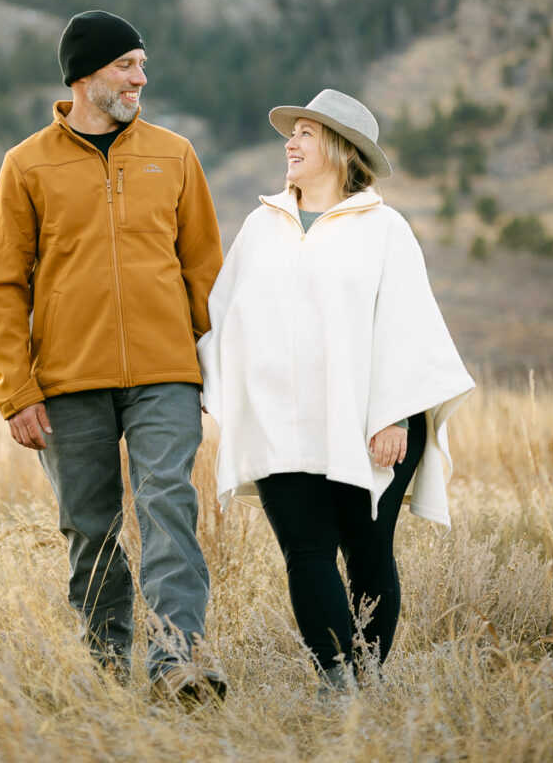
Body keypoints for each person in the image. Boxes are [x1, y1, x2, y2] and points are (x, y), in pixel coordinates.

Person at [0, 10, 226, 702]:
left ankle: (178, 661)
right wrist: (17, 390)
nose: (140, 77)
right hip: (66, 380)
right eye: (126, 65)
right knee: (89, 527)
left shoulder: (174, 154)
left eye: (142, 65)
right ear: (85, 75)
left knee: (167, 504)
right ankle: (108, 670)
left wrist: (215, 369)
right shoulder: (26, 164)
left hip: (166, 373)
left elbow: (203, 270)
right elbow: (2, 287)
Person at [197, 88, 475, 697]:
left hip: (373, 420)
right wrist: (210, 383)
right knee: (307, 551)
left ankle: (369, 676)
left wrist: (396, 415)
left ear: (342, 150)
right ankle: (337, 683)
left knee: (368, 554)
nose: (290, 144)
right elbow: (223, 313)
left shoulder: (384, 230)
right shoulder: (261, 225)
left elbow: (408, 325)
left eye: (306, 133)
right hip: (281, 422)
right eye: (290, 133)